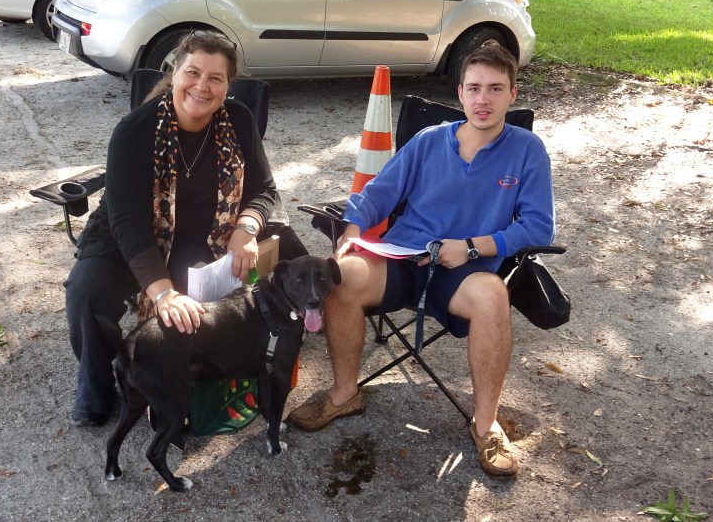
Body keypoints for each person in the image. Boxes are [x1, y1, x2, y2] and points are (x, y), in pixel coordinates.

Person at [287, 42, 555, 477]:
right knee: (342, 275)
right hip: (403, 257)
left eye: (494, 89)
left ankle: (486, 426)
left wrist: (471, 246)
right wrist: (352, 232)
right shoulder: (430, 141)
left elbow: (538, 227)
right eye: (474, 88)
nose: (483, 99)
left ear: (513, 94)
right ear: (460, 92)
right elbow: (376, 196)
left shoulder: (527, 150)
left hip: (464, 271)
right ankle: (343, 394)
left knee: (492, 298)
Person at [64, 31, 277, 427]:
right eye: (193, 72)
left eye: (216, 78)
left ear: (228, 85)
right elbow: (127, 223)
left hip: (202, 235)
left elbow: (263, 190)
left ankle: (186, 377)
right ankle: (97, 383)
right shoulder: (135, 131)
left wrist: (246, 227)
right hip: (125, 236)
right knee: (86, 290)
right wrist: (161, 295)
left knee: (200, 297)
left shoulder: (239, 121)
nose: (202, 86)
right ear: (174, 72)